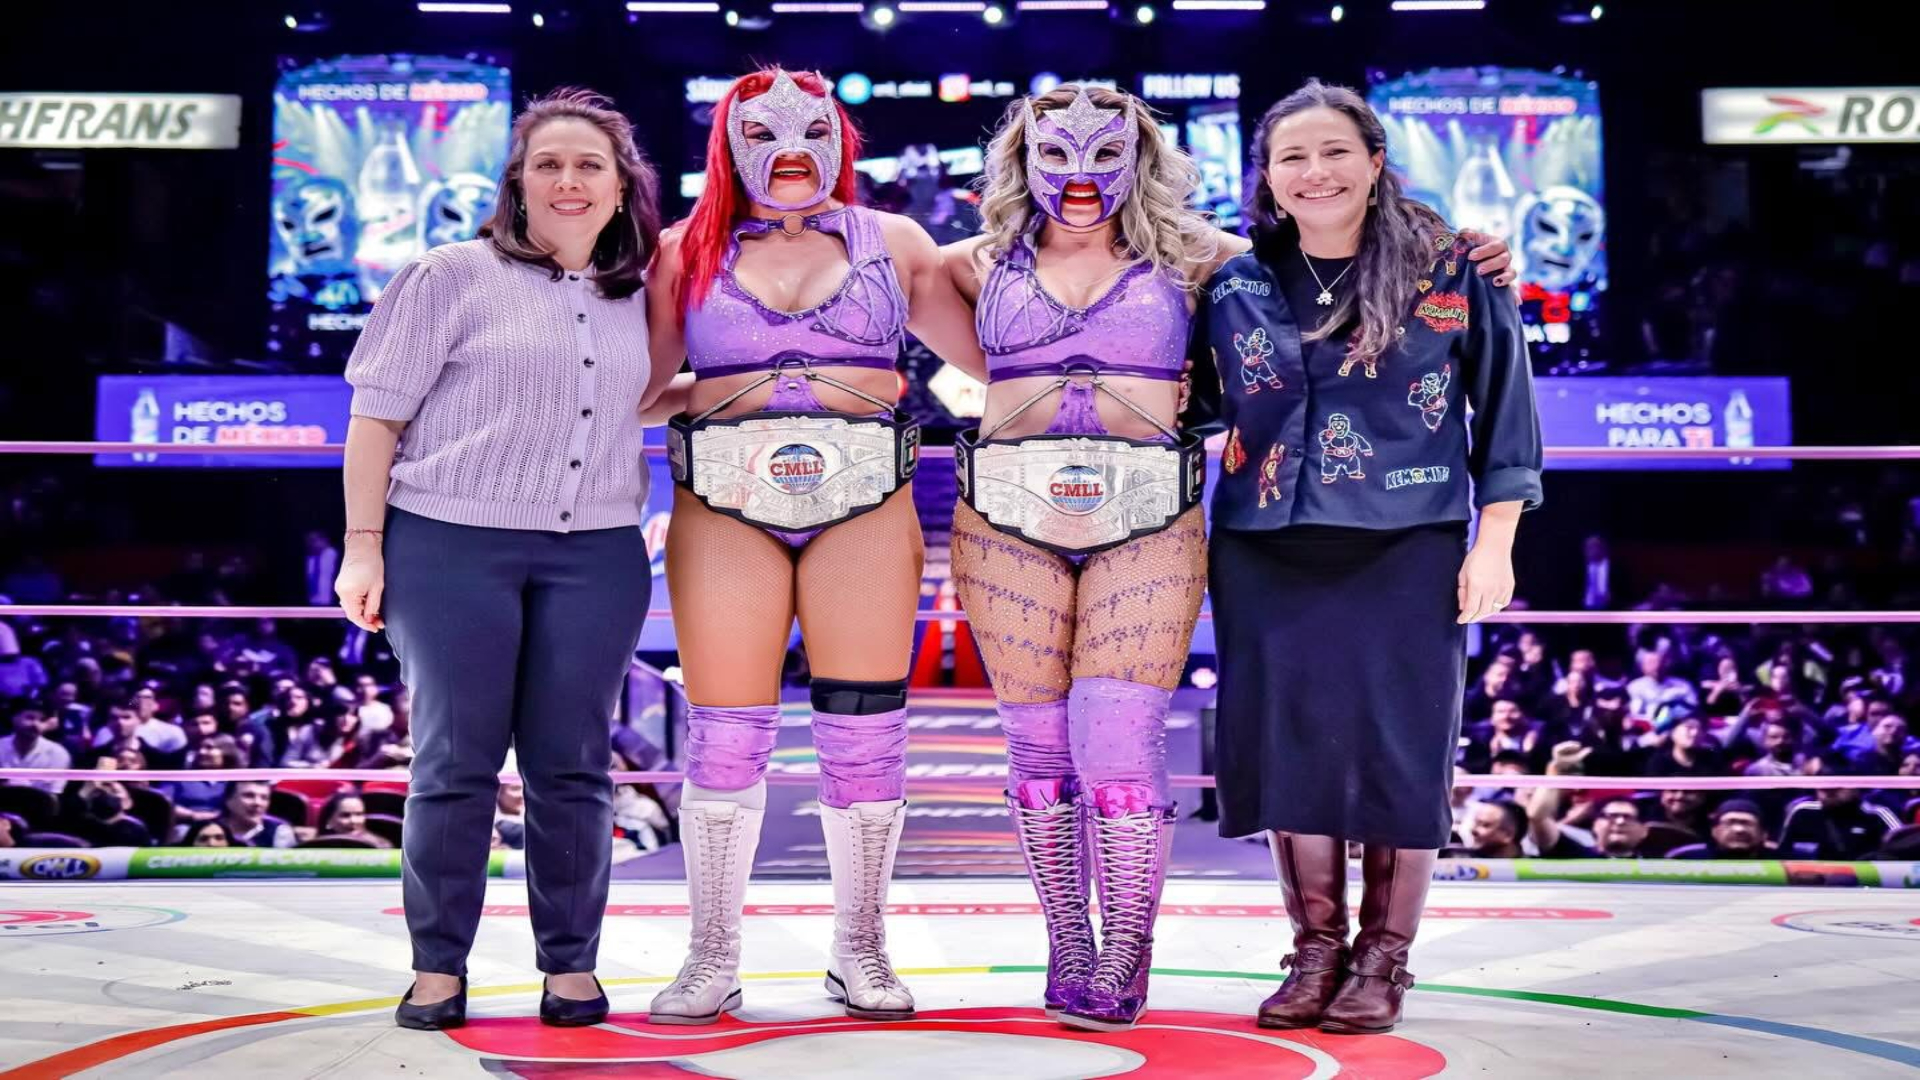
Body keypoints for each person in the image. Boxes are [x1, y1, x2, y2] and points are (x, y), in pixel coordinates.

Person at [1196, 79, 1539, 1036]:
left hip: (1409, 543)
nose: (1315, 171)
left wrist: (1496, 541)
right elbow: (1192, 405)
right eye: (1292, 156)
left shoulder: (1453, 272)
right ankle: (1315, 951)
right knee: (1288, 748)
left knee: (1402, 749)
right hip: (1265, 548)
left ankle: (1384, 959)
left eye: (1335, 151)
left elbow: (1506, 412)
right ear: (1266, 176)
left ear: (1376, 161)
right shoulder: (1234, 283)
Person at [640, 68, 981, 1027]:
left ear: (840, 138)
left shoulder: (897, 242)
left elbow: (1001, 361)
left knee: (867, 733)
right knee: (725, 731)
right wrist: (723, 393)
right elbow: (637, 385)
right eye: (765, 131)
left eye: (811, 129)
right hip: (725, 498)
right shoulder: (682, 251)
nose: (790, 148)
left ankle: (860, 951)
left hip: (867, 498)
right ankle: (710, 956)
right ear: (729, 142)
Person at [335, 88, 663, 1031]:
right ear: (517, 181)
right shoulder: (449, 274)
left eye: (588, 165)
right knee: (454, 763)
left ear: (619, 186)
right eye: (548, 163)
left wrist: (753, 388)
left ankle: (571, 971)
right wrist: (364, 549)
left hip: (597, 551)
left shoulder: (635, 291)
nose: (568, 180)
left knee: (575, 768)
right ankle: (438, 970)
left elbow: (620, 398)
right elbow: (376, 418)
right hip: (447, 545)